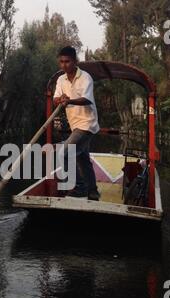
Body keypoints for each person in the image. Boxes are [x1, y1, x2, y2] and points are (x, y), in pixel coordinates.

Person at [54, 46, 100, 201]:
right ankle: (93, 191)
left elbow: (87, 99)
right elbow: (55, 98)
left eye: (67, 61)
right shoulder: (61, 80)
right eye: (61, 62)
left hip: (87, 124)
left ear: (75, 61)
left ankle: (80, 187)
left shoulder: (85, 77)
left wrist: (69, 100)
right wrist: (60, 99)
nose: (64, 65)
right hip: (75, 125)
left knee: (64, 153)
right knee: (83, 160)